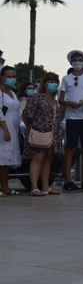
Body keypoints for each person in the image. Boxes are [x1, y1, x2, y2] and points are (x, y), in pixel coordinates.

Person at [22, 72, 64, 196]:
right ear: (44, 83)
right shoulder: (37, 97)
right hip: (39, 133)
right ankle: (34, 187)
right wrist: (35, 128)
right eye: (51, 81)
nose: (53, 84)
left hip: (53, 134)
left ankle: (46, 186)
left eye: (56, 82)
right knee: (38, 159)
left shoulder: (55, 101)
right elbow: (27, 116)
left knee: (48, 160)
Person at [59, 50, 83, 192]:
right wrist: (69, 103)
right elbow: (61, 99)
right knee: (70, 149)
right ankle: (67, 181)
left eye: (80, 60)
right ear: (71, 62)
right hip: (72, 118)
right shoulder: (66, 79)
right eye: (75, 60)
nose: (77, 62)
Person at [0, 66, 22, 196]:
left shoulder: (13, 93)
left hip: (13, 126)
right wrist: (5, 130)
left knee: (5, 161)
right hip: (3, 126)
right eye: (8, 76)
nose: (11, 79)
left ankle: (5, 186)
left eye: (13, 76)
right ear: (2, 77)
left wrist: (18, 131)